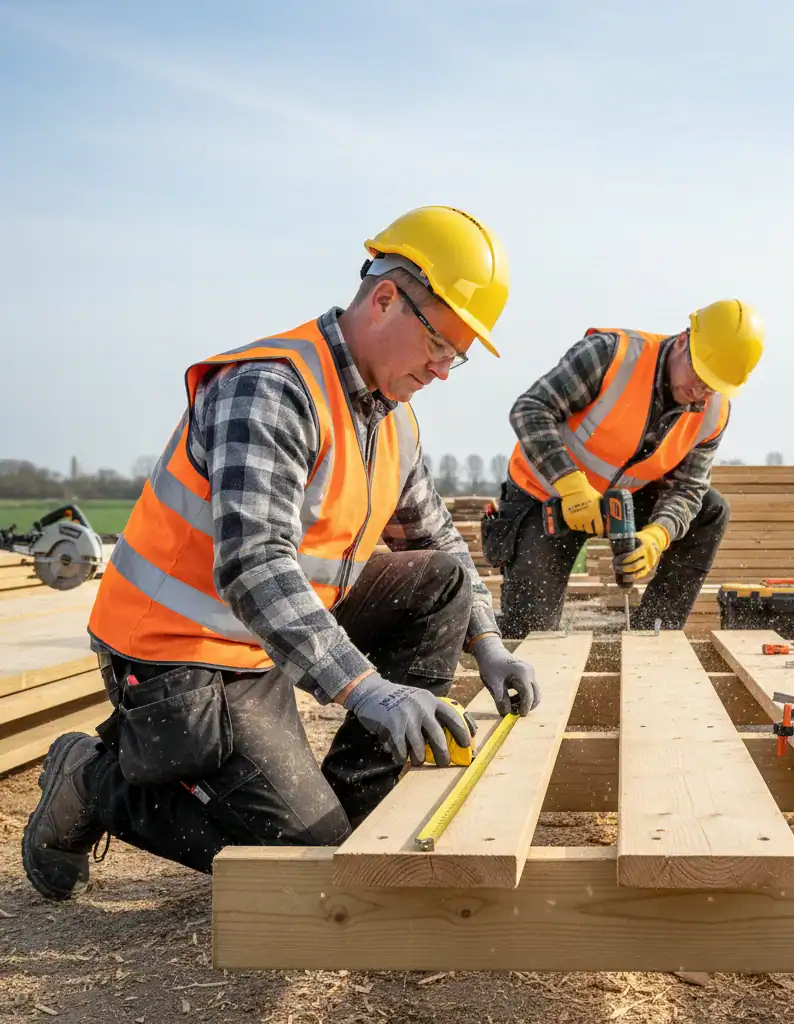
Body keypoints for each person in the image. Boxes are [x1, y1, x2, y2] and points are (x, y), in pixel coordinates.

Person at [23, 205, 540, 901]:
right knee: (304, 867)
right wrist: (368, 689)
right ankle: (91, 780)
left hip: (273, 635)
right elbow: (255, 564)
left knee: (441, 582)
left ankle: (360, 809)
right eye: (439, 343)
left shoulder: (391, 417)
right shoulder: (272, 388)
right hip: (183, 649)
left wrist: (489, 644)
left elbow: (437, 540)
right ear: (386, 298)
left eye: (457, 355)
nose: (444, 369)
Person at [484, 299, 764, 637]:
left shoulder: (714, 413)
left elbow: (689, 488)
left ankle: (654, 634)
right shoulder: (610, 356)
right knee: (529, 636)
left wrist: (657, 535)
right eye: (698, 374)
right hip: (544, 495)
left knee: (710, 511)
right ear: (682, 341)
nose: (698, 391)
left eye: (712, 385)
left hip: (622, 499)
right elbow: (530, 410)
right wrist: (571, 485)